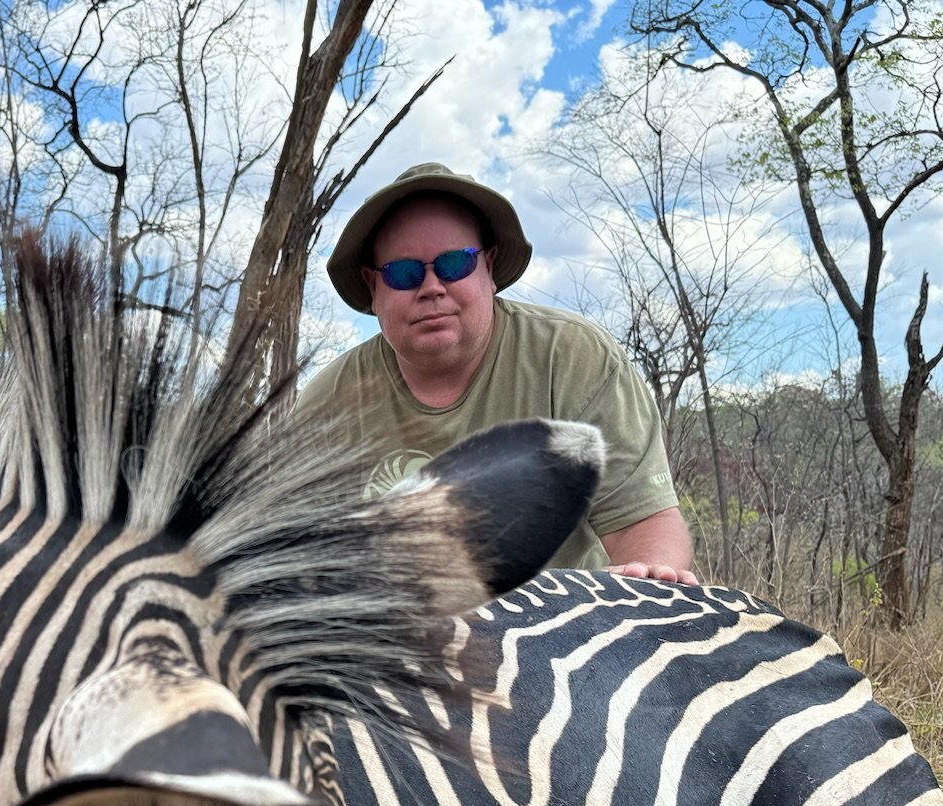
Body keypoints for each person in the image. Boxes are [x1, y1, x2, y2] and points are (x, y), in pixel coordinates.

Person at [298, 162, 697, 585]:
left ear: (488, 267)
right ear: (373, 286)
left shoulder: (574, 358)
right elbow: (299, 553)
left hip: (558, 635)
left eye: (454, 264)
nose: (432, 286)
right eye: (403, 272)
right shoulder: (328, 400)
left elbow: (642, 522)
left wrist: (646, 577)